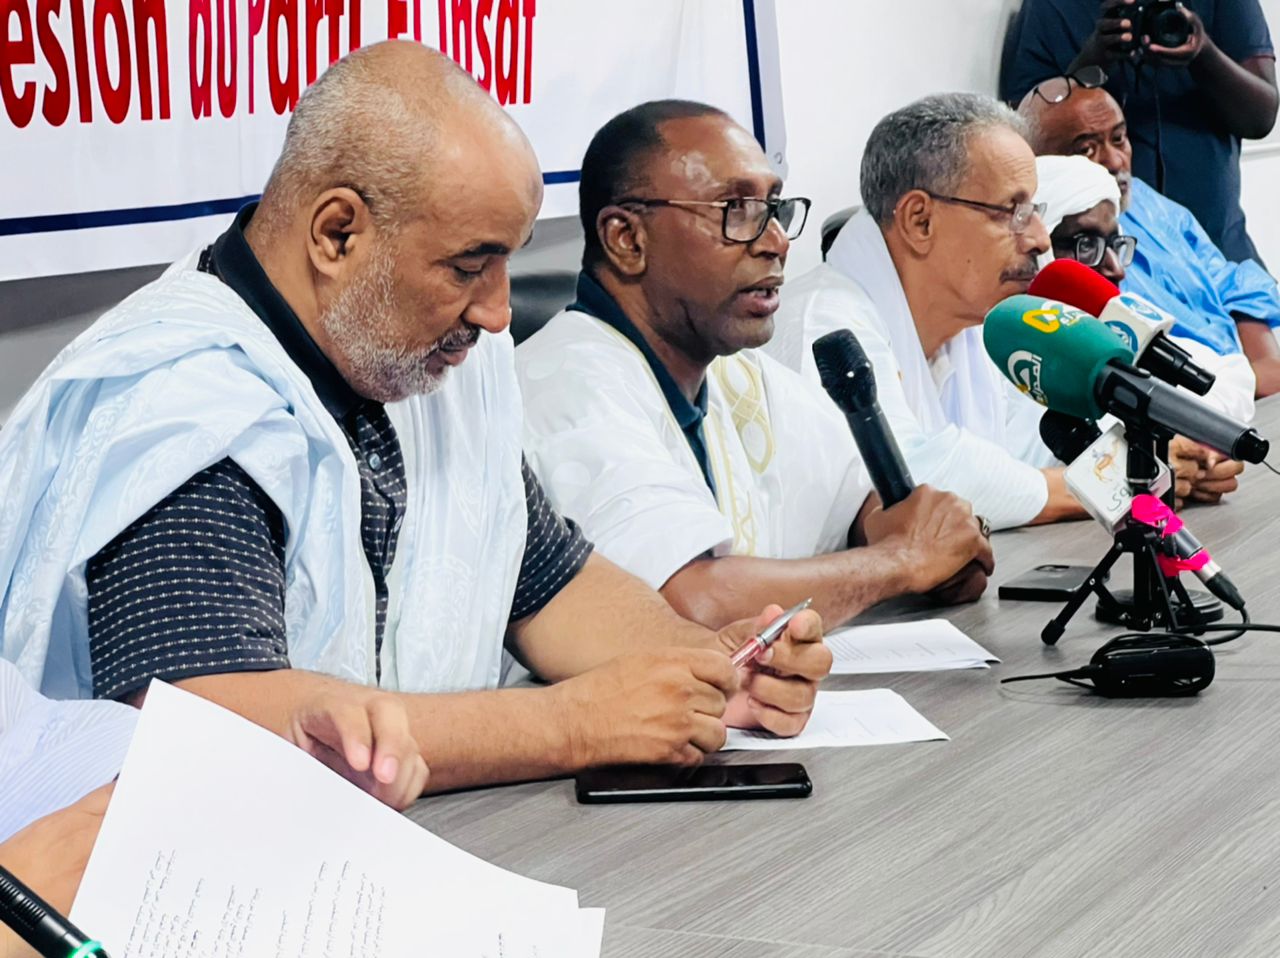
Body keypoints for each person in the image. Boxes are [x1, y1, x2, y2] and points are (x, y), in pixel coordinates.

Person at [0, 43, 829, 796]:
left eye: (506, 262)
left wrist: (706, 668)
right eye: (470, 267)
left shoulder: (426, 358)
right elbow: (209, 722)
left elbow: (551, 584)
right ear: (337, 234)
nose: (499, 313)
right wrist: (574, 724)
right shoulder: (184, 402)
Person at [516, 101, 994, 632]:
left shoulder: (734, 370)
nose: (776, 242)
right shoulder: (566, 387)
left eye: (774, 208)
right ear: (627, 240)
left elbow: (862, 507)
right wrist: (902, 563)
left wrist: (925, 539)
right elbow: (685, 607)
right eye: (736, 210)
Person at [769, 94, 1084, 531]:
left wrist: (1145, 460)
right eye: (1012, 212)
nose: (1040, 239)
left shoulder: (976, 324)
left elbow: (1028, 455)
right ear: (920, 221)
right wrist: (1102, 487)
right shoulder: (825, 329)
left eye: (1034, 211)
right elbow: (906, 488)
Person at [1018, 80, 1280, 396]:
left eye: (1119, 138)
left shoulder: (1147, 201)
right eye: (1086, 149)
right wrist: (1243, 387)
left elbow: (1234, 282)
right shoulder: (1058, 258)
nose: (1115, 161)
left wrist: (1264, 364)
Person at [1034, 154, 1250, 506]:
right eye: (1086, 246)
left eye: (1116, 244)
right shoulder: (1000, 342)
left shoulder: (1115, 324)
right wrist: (1144, 461)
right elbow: (1010, 466)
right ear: (1038, 248)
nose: (1116, 269)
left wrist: (1189, 448)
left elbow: (1233, 376)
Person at [1001, 0, 1278, 266]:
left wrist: (1203, 53)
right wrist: (1093, 61)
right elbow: (1025, 137)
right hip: (1113, 254)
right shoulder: (1052, 7)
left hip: (1218, 244)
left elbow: (1260, 118)